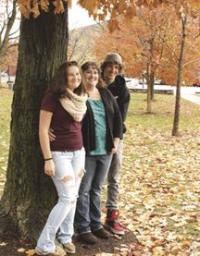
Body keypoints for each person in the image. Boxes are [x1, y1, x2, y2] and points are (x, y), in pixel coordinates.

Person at [35, 61, 88, 256]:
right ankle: (44, 244)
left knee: (72, 197)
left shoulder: (80, 98)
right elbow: (42, 129)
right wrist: (48, 159)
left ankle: (66, 236)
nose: (75, 78)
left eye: (77, 74)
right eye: (71, 75)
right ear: (63, 77)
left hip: (78, 153)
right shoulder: (52, 97)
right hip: (59, 155)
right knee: (67, 197)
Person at [74, 61, 123, 244]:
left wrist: (115, 142)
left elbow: (118, 120)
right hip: (86, 152)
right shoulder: (78, 95)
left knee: (96, 189)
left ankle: (96, 225)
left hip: (106, 151)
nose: (92, 75)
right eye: (88, 72)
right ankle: (83, 227)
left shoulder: (105, 94)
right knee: (84, 190)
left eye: (95, 72)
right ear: (82, 74)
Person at [101, 53, 130, 235]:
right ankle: (89, 217)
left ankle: (112, 217)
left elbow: (121, 117)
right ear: (103, 67)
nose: (113, 70)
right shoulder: (94, 84)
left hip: (115, 137)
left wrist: (115, 140)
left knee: (114, 177)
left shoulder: (122, 89)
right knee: (93, 179)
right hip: (94, 138)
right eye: (110, 66)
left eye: (116, 67)